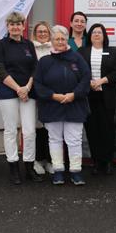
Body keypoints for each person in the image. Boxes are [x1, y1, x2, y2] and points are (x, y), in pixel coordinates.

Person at [34, 25, 91, 186]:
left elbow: (86, 78)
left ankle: (75, 171)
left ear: (67, 40)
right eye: (57, 39)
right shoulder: (44, 61)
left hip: (75, 105)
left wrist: (74, 94)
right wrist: (53, 96)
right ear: (52, 40)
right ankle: (58, 171)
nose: (60, 41)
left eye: (63, 39)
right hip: (52, 105)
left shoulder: (77, 57)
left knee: (74, 140)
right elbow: (38, 84)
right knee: (55, 139)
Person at [0, 11, 39, 184]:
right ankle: (13, 167)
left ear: (23, 26)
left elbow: (35, 67)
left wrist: (27, 87)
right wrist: (18, 88)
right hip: (8, 92)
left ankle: (29, 167)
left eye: (18, 24)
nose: (15, 27)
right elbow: (0, 69)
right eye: (12, 24)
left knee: (29, 132)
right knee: (11, 130)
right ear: (7, 27)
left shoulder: (29, 45)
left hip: (28, 92)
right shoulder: (0, 45)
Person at [79, 23, 116, 176]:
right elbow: (77, 70)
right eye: (93, 32)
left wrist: (102, 80)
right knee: (92, 130)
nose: (96, 34)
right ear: (89, 36)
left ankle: (109, 161)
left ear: (104, 36)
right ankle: (97, 162)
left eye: (99, 32)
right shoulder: (82, 52)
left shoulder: (112, 52)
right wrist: (89, 82)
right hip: (89, 96)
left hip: (107, 96)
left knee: (108, 129)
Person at [31, 21, 54, 175]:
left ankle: (50, 160)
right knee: (35, 127)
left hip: (52, 94)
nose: (42, 34)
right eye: (39, 31)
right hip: (34, 93)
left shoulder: (54, 48)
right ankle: (37, 160)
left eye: (45, 31)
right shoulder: (30, 49)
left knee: (51, 128)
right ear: (35, 34)